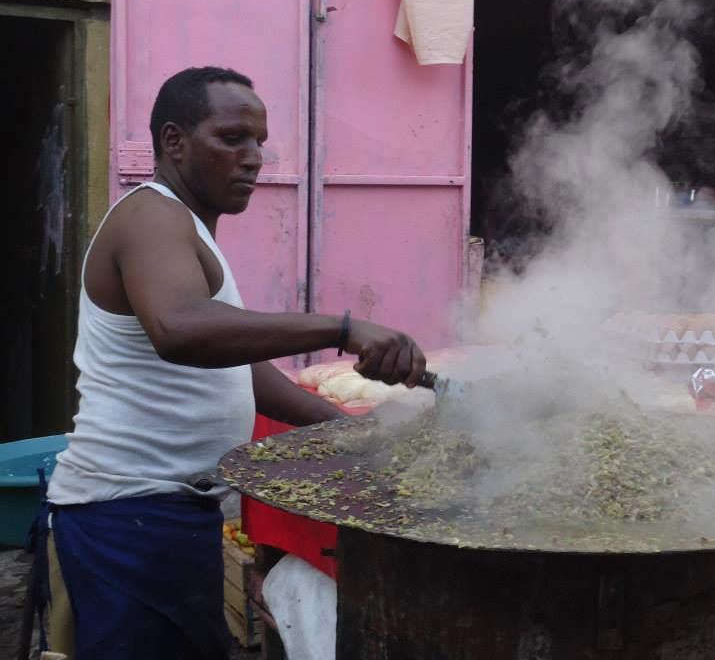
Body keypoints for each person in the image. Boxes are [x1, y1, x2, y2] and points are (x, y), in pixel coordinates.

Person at [36, 66, 428, 659]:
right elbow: (180, 331)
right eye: (232, 138)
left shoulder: (189, 227)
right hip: (127, 518)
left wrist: (348, 429)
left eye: (260, 144)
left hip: (169, 514)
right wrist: (343, 327)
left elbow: (233, 367)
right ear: (174, 141)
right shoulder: (152, 217)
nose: (253, 159)